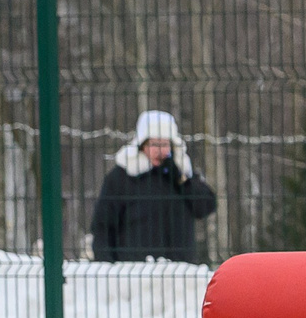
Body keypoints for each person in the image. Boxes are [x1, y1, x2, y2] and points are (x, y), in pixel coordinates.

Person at [89, 110, 217, 264]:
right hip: (135, 271)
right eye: (154, 144)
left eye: (165, 144)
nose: (160, 150)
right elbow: (103, 226)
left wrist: (181, 179)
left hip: (180, 270)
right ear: (142, 145)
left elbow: (206, 206)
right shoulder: (122, 176)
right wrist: (107, 265)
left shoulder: (182, 173)